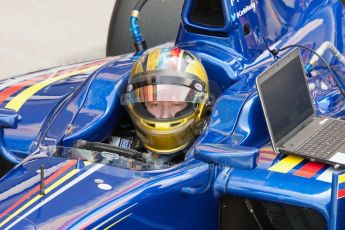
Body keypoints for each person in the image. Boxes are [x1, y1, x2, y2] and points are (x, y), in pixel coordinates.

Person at [119, 47, 210, 167]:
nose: (165, 115)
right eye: (155, 104)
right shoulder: (122, 142)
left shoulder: (213, 145)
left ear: (199, 103)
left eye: (176, 104)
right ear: (138, 104)